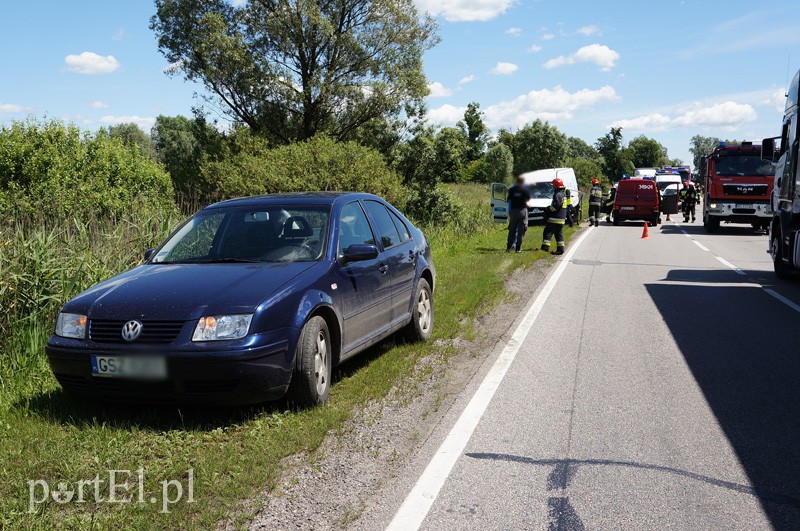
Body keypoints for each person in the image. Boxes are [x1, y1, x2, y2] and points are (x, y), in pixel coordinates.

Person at [541, 178, 569, 255]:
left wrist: (547, 210)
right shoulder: (563, 195)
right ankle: (560, 249)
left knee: (547, 232)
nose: (552, 187)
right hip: (561, 219)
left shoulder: (557, 195)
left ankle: (545, 248)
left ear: (556, 186)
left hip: (555, 219)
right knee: (558, 234)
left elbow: (555, 207)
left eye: (553, 185)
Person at [506, 175, 531, 253]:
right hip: (522, 211)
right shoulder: (524, 190)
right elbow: (528, 199)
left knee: (512, 230)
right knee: (521, 230)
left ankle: (508, 248)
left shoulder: (511, 190)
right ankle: (518, 249)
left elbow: (508, 199)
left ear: (517, 182)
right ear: (523, 182)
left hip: (513, 211)